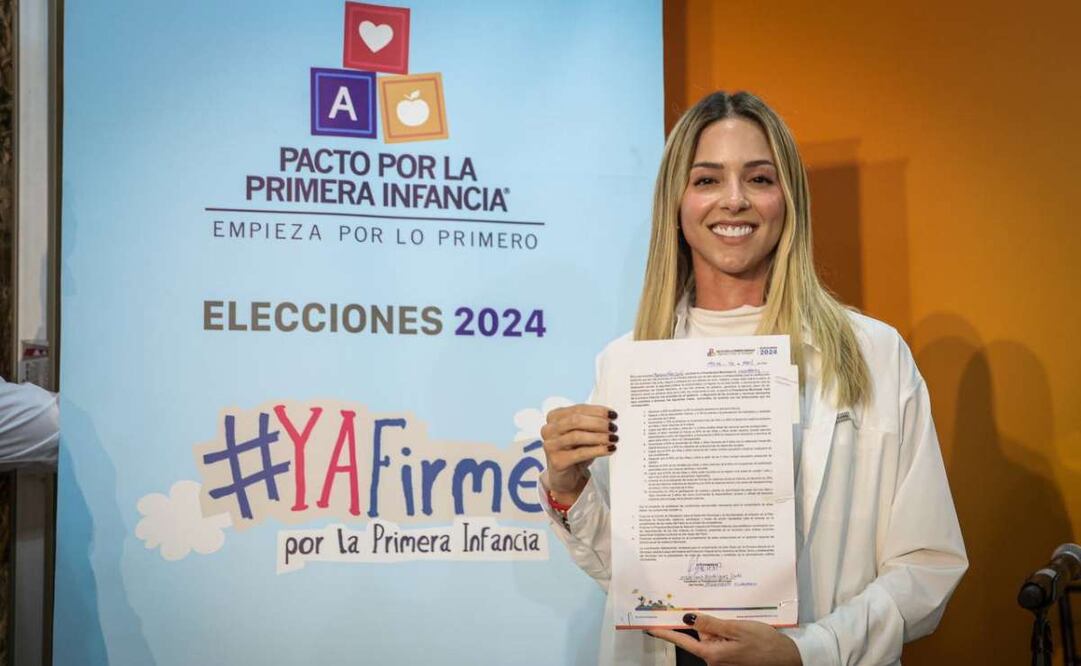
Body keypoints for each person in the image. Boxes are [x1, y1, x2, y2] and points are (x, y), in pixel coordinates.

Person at [539, 91, 967, 666]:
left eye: (759, 179)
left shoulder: (874, 356)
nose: (734, 201)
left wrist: (807, 652)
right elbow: (627, 573)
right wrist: (569, 490)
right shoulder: (628, 364)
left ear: (788, 198)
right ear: (677, 201)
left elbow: (927, 564)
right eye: (708, 180)